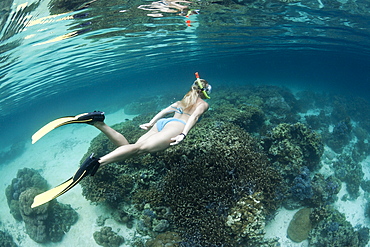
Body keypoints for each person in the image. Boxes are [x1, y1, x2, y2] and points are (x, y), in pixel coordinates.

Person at [31, 75, 211, 208]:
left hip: (164, 124)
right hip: (177, 127)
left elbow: (163, 111)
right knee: (138, 149)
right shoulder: (203, 104)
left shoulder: (183, 99)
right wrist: (184, 135)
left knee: (131, 148)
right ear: (205, 92)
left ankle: (98, 122)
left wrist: (151, 123)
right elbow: (193, 118)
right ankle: (96, 163)